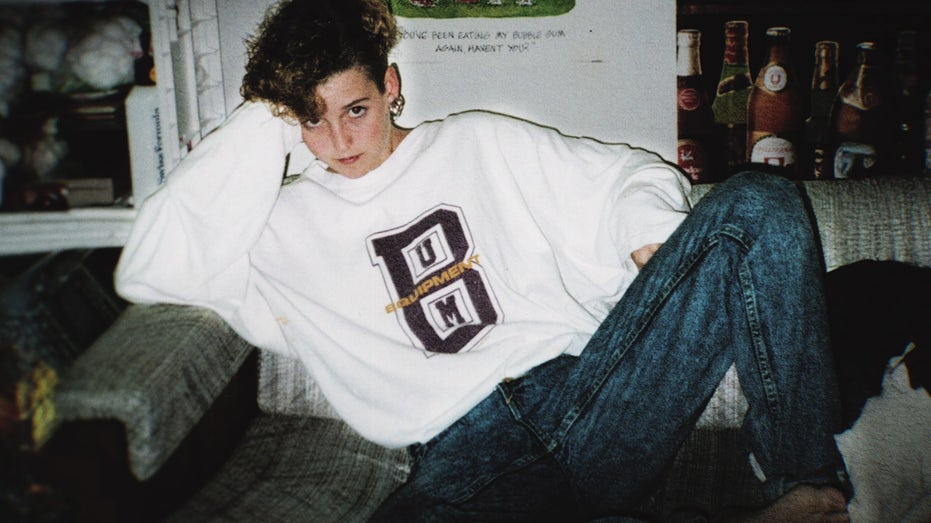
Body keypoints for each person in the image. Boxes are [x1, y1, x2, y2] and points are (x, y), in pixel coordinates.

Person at [115, 0, 852, 520]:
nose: (338, 141)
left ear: (390, 86)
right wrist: (263, 113)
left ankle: (804, 483)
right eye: (311, 119)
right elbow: (150, 268)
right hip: (465, 459)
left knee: (758, 202)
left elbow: (629, 175)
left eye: (354, 109)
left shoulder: (477, 142)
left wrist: (646, 231)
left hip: (595, 399)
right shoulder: (282, 225)